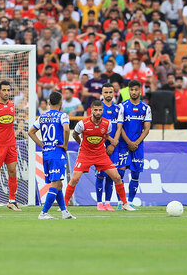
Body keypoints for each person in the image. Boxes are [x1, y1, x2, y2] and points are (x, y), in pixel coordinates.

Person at [64, 100, 135, 211]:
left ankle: (125, 203)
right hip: (85, 154)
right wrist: (81, 143)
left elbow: (105, 135)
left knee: (116, 177)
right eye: (95, 110)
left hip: (101, 154)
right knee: (74, 179)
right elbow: (74, 134)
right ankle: (64, 205)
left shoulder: (107, 124)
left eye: (100, 110)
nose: (98, 112)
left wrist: (111, 140)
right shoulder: (83, 123)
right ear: (91, 110)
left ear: (102, 110)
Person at [28, 91, 75, 220]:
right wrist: (65, 145)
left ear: (48, 103)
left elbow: (30, 132)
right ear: (61, 103)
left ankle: (64, 212)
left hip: (46, 153)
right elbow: (66, 129)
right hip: (57, 153)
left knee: (58, 183)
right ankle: (43, 213)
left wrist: (42, 144)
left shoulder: (42, 117)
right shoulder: (62, 116)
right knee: (56, 184)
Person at [115, 80, 152, 209]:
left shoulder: (146, 108)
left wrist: (136, 142)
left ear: (140, 91)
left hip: (138, 145)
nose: (134, 92)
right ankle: (120, 202)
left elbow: (147, 128)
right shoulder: (122, 106)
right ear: (129, 91)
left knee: (135, 174)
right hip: (123, 144)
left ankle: (130, 202)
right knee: (120, 174)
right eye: (132, 90)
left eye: (136, 90)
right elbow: (120, 127)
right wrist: (129, 142)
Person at [0, 80, 21, 212]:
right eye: (4, 90)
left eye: (8, 90)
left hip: (11, 144)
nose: (7, 93)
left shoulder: (13, 104)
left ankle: (12, 201)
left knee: (13, 171)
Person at [95, 83, 122, 211]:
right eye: (105, 92)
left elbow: (119, 127)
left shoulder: (118, 109)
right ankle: (99, 203)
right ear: (102, 93)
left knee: (112, 175)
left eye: (110, 92)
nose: (108, 95)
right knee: (100, 175)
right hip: (100, 147)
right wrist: (111, 141)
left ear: (114, 93)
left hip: (114, 147)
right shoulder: (98, 109)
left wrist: (114, 142)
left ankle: (107, 202)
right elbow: (98, 127)